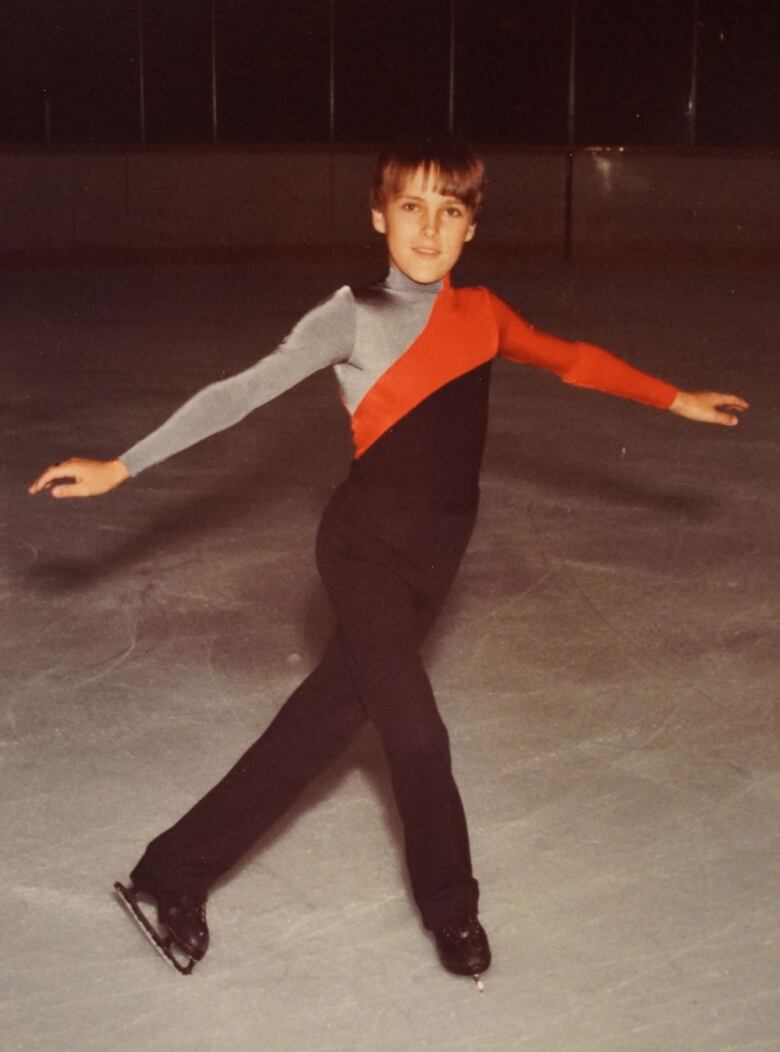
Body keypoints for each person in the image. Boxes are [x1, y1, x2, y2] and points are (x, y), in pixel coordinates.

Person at [28, 136, 748, 987]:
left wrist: (675, 398)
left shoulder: (485, 316)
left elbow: (572, 360)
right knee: (418, 736)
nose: (430, 228)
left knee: (320, 726)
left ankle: (169, 875)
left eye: (451, 210)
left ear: (472, 226)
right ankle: (454, 909)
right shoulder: (353, 314)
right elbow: (241, 390)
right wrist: (122, 465)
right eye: (412, 206)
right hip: (364, 548)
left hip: (435, 557)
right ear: (379, 215)